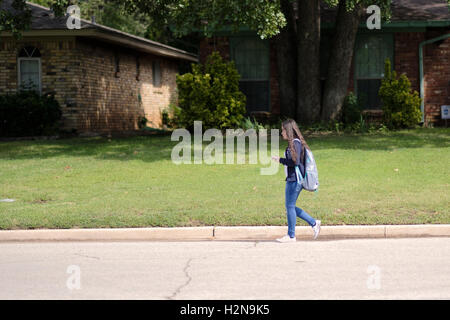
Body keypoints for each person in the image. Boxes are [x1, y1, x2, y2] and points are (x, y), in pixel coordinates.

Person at [271, 119, 321, 243]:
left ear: (288, 131)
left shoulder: (295, 143)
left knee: (290, 206)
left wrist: (280, 160)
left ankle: (292, 235)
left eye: (283, 129)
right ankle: (313, 223)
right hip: (292, 179)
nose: (281, 132)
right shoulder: (293, 143)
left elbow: (295, 162)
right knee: (290, 206)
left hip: (295, 180)